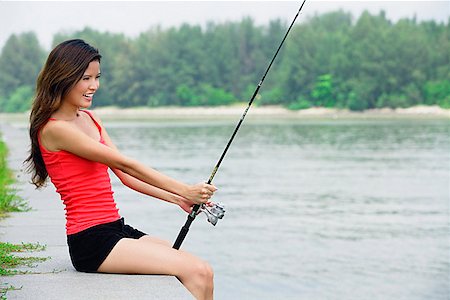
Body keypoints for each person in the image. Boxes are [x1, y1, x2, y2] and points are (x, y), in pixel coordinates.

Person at [25, 39, 217, 300]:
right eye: (86, 78)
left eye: (97, 77)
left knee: (198, 269)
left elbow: (126, 177)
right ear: (64, 77)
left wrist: (179, 199)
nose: (94, 86)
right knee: (198, 271)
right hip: (91, 241)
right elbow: (125, 164)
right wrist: (186, 189)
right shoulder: (55, 129)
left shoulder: (91, 119)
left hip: (116, 229)